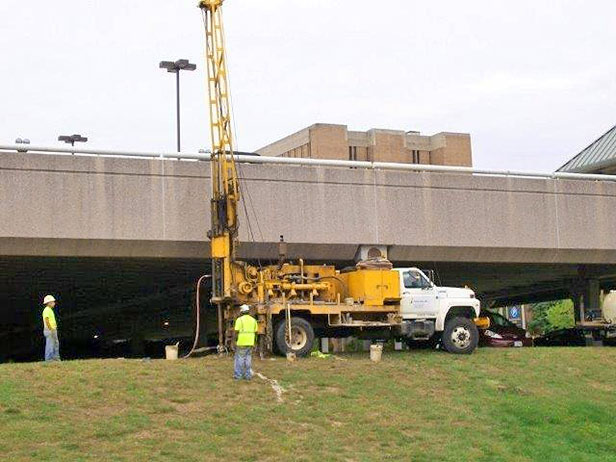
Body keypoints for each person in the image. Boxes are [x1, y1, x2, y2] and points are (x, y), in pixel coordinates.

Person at [233, 304, 258, 381]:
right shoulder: (253, 320)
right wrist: (255, 342)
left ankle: (238, 376)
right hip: (250, 342)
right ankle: (248, 376)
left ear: (241, 312)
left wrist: (234, 341)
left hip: (241, 342)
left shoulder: (239, 320)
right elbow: (256, 332)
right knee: (248, 358)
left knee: (240, 358)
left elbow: (236, 332)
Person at [42, 295, 60, 362]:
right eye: (53, 302)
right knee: (50, 344)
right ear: (49, 303)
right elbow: (46, 320)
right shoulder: (47, 310)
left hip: (52, 329)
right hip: (50, 330)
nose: (54, 303)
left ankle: (55, 359)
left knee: (55, 344)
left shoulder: (49, 310)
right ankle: (49, 359)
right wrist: (51, 329)